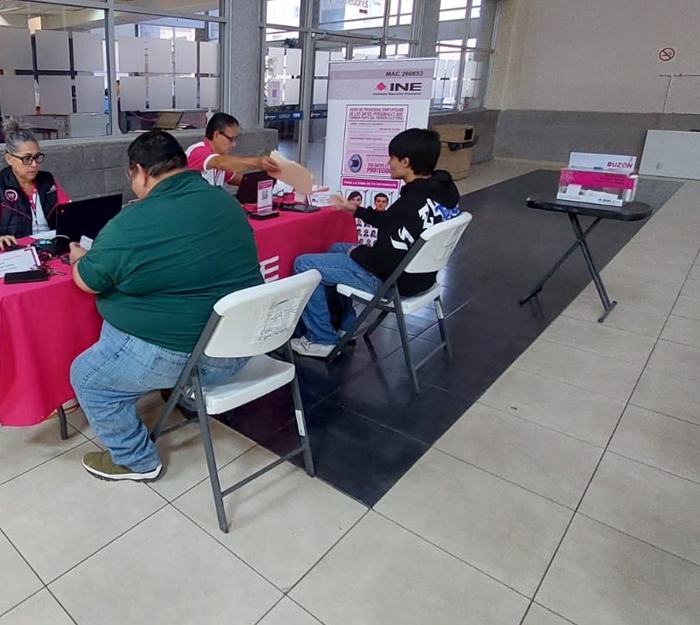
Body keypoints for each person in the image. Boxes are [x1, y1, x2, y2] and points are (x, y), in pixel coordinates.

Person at [68, 130, 262, 481]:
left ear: (139, 172)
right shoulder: (226, 203)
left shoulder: (129, 225)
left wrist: (80, 259)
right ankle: (187, 399)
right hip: (240, 347)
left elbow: (88, 280)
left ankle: (135, 460)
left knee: (88, 376)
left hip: (187, 360)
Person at [290, 128, 461, 358]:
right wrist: (356, 211)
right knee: (336, 248)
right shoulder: (440, 192)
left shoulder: (409, 204)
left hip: (394, 283)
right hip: (423, 276)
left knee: (304, 264)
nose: (389, 163)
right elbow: (396, 224)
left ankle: (321, 339)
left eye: (392, 157)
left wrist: (355, 253)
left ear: (406, 161)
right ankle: (347, 325)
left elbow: (382, 261)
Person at [0, 122, 70, 249]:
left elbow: (70, 213)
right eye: (26, 159)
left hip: (50, 248)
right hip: (14, 252)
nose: (34, 164)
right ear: (9, 159)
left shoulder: (47, 181)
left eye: (37, 157)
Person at [186, 112, 280, 188]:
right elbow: (219, 163)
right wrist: (258, 162)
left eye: (235, 139)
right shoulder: (198, 151)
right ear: (216, 135)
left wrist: (267, 183)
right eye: (231, 139)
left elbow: (238, 179)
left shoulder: (222, 159)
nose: (234, 144)